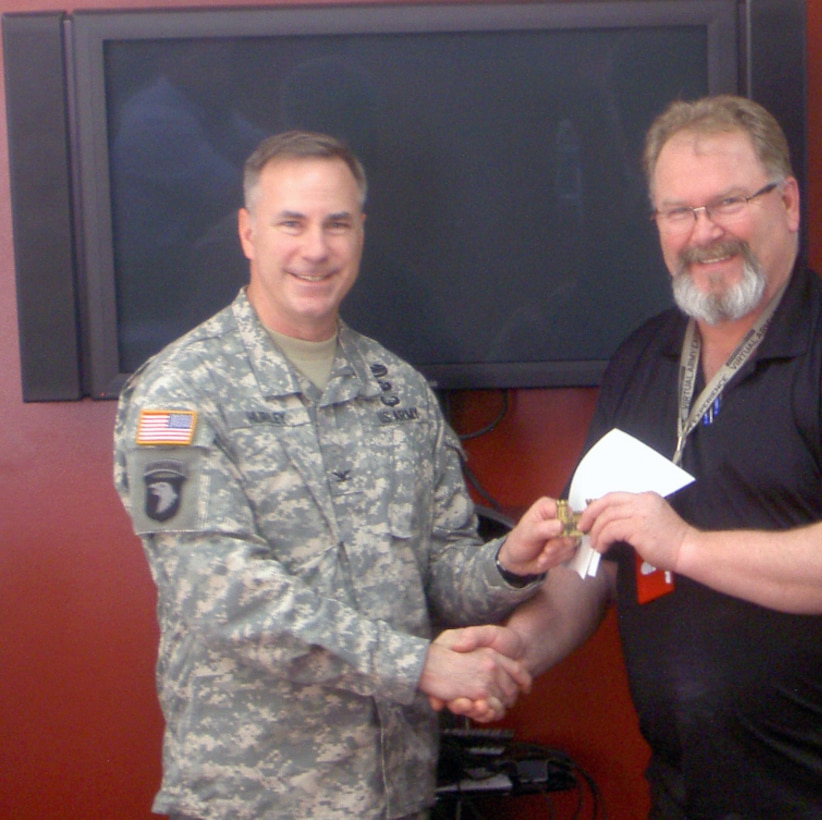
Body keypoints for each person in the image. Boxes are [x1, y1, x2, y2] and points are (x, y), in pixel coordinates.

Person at [446, 95, 822, 817]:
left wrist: (684, 546)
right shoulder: (641, 360)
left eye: (727, 202)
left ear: (787, 203)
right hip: (698, 792)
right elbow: (588, 568)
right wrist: (516, 653)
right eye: (678, 212)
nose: (704, 233)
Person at [112, 130, 577, 820]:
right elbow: (223, 595)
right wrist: (419, 668)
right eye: (290, 223)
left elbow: (438, 581)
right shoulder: (173, 399)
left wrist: (507, 564)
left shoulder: (402, 391)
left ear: (361, 233)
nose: (315, 248)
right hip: (250, 801)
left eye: (336, 224)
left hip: (396, 795)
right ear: (247, 233)